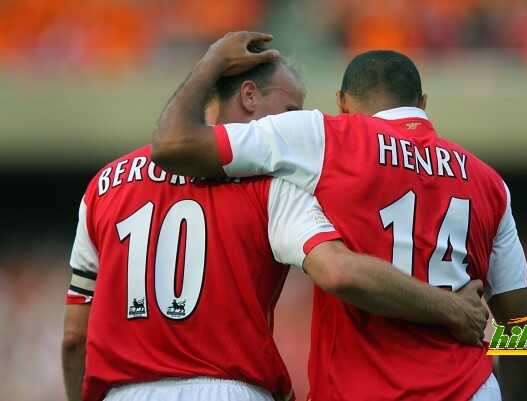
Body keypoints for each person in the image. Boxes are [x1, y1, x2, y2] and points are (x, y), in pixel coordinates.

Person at [62, 32, 489, 401]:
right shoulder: (487, 183)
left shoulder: (105, 184)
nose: (294, 122)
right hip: (470, 387)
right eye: (290, 112)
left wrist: (210, 61)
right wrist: (482, 339)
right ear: (424, 103)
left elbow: (74, 338)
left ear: (343, 107)